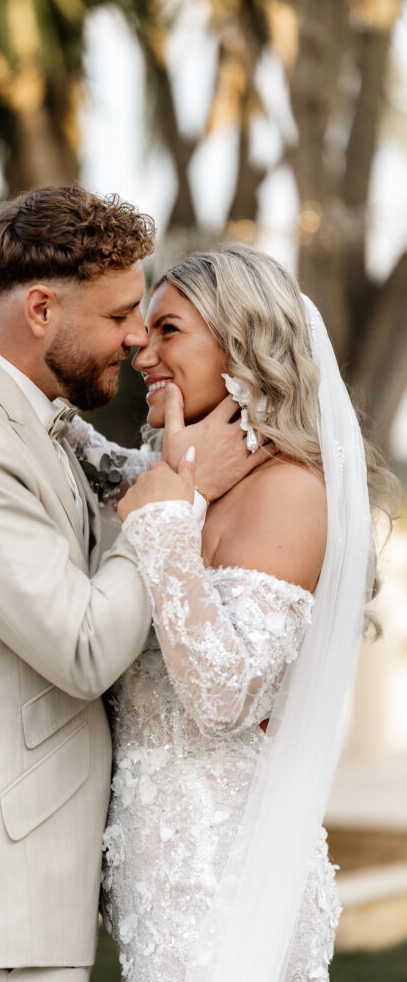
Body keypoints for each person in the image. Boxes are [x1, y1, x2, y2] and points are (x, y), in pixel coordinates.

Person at [0, 188, 265, 982]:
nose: (134, 339)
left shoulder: (27, 422)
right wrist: (170, 504)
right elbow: (82, 648)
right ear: (41, 308)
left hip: (24, 884)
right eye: (119, 314)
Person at [67, 244, 388, 981]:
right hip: (164, 884)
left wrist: (166, 521)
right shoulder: (183, 482)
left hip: (227, 888)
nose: (142, 348)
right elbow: (87, 457)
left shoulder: (287, 490)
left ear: (242, 345)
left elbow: (224, 696)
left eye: (168, 329)